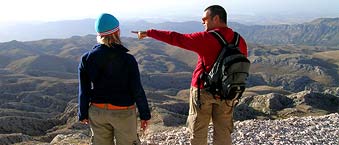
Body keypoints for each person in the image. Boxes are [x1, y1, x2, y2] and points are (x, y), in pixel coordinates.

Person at [132, 5, 247, 145]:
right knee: (223, 132)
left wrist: (149, 32)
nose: (202, 22)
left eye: (205, 19)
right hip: (228, 92)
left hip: (203, 91)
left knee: (198, 131)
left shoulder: (207, 38)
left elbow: (176, 38)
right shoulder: (239, 40)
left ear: (216, 18)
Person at [78, 13, 151, 145]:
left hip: (97, 112)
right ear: (117, 32)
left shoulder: (86, 58)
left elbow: (84, 89)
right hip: (123, 113)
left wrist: (82, 113)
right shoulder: (128, 59)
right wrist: (144, 114)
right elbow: (137, 90)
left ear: (99, 34)